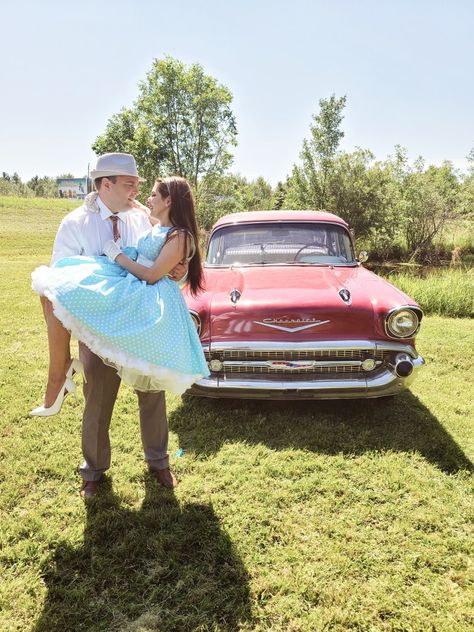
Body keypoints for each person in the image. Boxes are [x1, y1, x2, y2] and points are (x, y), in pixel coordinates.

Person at [31, 153, 201, 498]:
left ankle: (159, 462)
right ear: (105, 184)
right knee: (98, 396)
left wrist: (178, 271)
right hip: (99, 328)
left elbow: (163, 261)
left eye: (140, 185)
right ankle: (93, 471)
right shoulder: (75, 223)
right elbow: (63, 279)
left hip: (141, 326)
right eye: (130, 184)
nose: (137, 191)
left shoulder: (142, 219)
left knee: (151, 394)